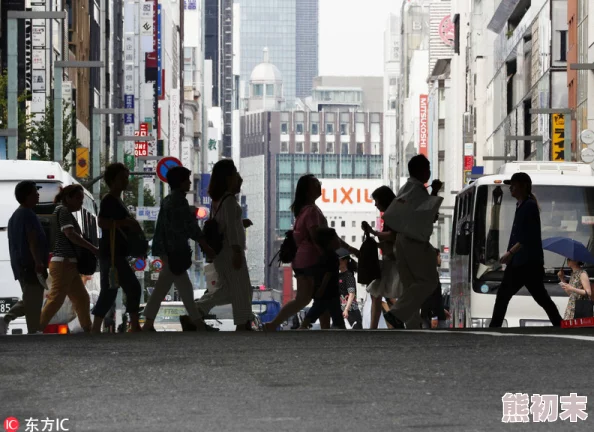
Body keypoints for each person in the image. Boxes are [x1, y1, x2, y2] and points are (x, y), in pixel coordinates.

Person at [264, 175, 357, 331]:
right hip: (313, 261)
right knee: (319, 297)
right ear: (307, 190)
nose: (319, 185)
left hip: (302, 261)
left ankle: (319, 328)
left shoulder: (303, 211)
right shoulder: (312, 211)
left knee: (308, 298)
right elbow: (317, 236)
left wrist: (350, 250)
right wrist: (326, 256)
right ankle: (292, 324)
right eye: (315, 183)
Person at [143, 166, 216, 332]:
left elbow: (164, 226)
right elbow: (190, 227)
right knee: (182, 289)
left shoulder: (168, 200)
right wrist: (205, 245)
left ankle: (149, 322)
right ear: (180, 182)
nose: (190, 183)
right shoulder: (179, 201)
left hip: (167, 251)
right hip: (175, 251)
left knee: (168, 288)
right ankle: (197, 323)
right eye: (187, 180)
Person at [489, 172, 562, 327]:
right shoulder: (522, 205)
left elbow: (527, 236)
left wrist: (510, 253)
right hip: (524, 262)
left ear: (523, 186)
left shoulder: (529, 206)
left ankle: (494, 326)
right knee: (540, 297)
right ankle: (559, 323)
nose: (511, 189)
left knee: (505, 295)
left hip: (524, 263)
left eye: (513, 185)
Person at [193, 160, 255, 331]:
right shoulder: (228, 201)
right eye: (234, 172)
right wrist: (237, 252)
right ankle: (243, 324)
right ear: (228, 176)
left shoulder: (217, 200)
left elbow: (223, 224)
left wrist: (240, 221)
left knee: (227, 289)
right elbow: (231, 230)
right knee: (241, 289)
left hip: (221, 252)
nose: (237, 176)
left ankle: (196, 311)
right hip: (230, 250)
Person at [384, 155, 443, 329]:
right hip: (415, 241)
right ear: (420, 170)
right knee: (428, 281)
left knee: (410, 285)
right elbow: (428, 216)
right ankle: (396, 314)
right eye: (428, 168)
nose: (429, 171)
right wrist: (435, 192)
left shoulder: (406, 188)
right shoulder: (417, 190)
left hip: (402, 241)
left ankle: (412, 324)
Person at [39, 185, 99, 333]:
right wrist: (92, 248)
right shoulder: (63, 210)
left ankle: (88, 328)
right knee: (56, 299)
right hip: (63, 263)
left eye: (81, 199)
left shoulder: (63, 211)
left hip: (69, 264)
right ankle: (37, 328)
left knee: (81, 298)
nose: (80, 202)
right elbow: (70, 234)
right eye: (78, 198)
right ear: (68, 198)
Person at [91, 163, 143, 333]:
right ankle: (134, 325)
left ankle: (96, 327)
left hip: (115, 253)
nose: (126, 181)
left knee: (110, 290)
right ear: (113, 181)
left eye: (126, 177)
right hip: (112, 254)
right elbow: (102, 222)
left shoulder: (117, 199)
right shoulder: (109, 199)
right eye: (122, 178)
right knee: (131, 287)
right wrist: (125, 222)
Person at [0, 181, 49, 335]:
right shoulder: (28, 214)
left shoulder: (14, 216)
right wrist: (38, 261)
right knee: (33, 300)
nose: (38, 195)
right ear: (27, 196)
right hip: (31, 264)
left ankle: (6, 319)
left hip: (21, 265)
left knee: (30, 298)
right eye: (35, 192)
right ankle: (33, 331)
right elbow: (32, 239)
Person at [362, 185, 402, 329]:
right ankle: (400, 320)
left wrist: (374, 233)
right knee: (378, 292)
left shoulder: (393, 215)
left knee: (378, 292)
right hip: (391, 260)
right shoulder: (394, 213)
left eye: (377, 200)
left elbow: (393, 235)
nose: (375, 204)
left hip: (394, 261)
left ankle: (377, 326)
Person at [299, 229, 346, 330]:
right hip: (328, 290)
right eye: (336, 239)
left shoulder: (322, 256)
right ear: (329, 242)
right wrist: (321, 288)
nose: (338, 241)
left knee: (325, 308)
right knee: (320, 308)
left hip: (328, 290)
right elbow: (328, 274)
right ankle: (304, 324)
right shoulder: (332, 256)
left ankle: (305, 324)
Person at [420, 248, 446, 328]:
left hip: (427, 313)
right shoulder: (431, 274)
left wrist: (442, 309)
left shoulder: (425, 272)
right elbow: (431, 296)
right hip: (433, 316)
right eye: (439, 256)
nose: (440, 259)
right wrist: (434, 315)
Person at [337, 249, 362, 329]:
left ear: (345, 261)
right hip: (341, 310)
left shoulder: (349, 276)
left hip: (351, 312)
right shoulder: (339, 276)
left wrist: (346, 309)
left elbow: (351, 294)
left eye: (339, 260)